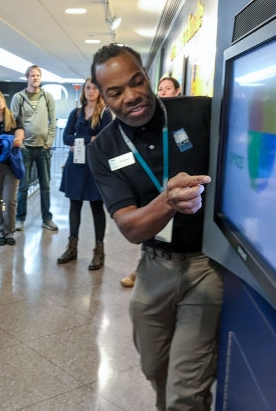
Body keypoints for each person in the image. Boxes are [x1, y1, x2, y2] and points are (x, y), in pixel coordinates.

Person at [87, 44, 224, 411]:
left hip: (205, 267)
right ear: (102, 96)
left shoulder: (199, 112)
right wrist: (168, 201)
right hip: (153, 267)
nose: (132, 96)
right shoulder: (103, 148)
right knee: (154, 369)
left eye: (137, 82)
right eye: (115, 92)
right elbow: (131, 229)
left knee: (187, 392)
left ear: (147, 75)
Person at [121, 75, 182, 288]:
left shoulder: (182, 122)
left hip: (178, 189)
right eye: (161, 89)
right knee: (150, 228)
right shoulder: (147, 124)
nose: (164, 92)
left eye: (168, 89)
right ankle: (142, 270)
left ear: (178, 92)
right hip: (154, 190)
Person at [57, 77, 112, 270]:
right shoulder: (76, 112)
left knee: (97, 207)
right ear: (84, 91)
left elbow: (105, 139)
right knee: (74, 206)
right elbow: (66, 138)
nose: (91, 91)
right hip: (76, 165)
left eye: (95, 88)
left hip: (95, 166)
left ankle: (99, 251)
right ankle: (72, 248)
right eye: (88, 87)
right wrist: (90, 138)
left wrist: (79, 141)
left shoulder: (105, 114)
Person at [10, 65, 58, 232]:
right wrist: (20, 143)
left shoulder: (47, 97)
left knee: (45, 185)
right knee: (22, 186)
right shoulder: (19, 98)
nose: (35, 78)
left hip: (43, 149)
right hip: (25, 149)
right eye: (32, 75)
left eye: (38, 75)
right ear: (27, 77)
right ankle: (19, 219)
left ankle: (47, 219)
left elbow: (53, 121)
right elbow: (12, 122)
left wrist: (49, 142)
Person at [0, 89, 24, 246]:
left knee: (10, 200)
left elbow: (18, 141)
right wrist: (7, 139)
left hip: (11, 166)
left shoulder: (14, 117)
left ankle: (9, 231)